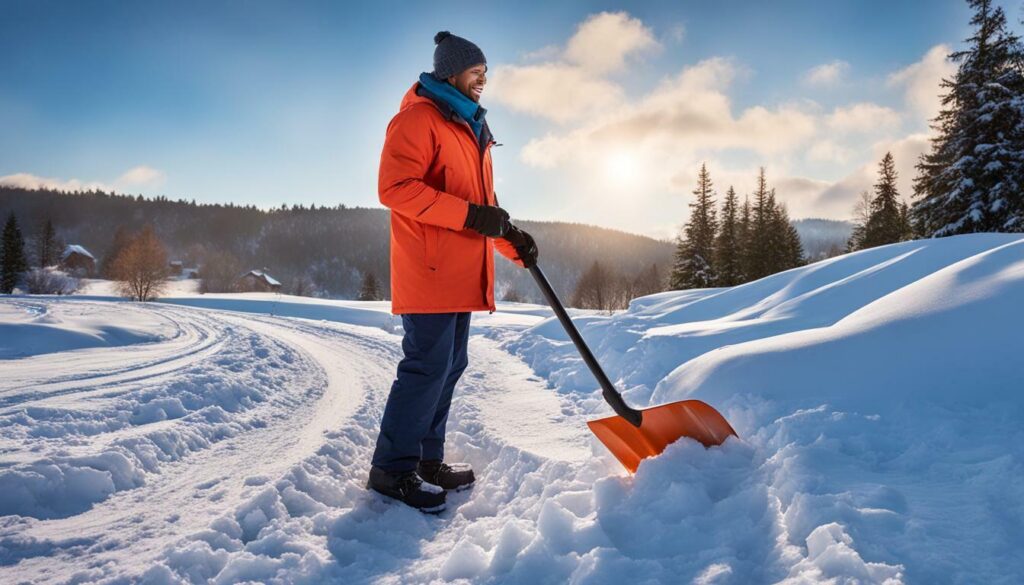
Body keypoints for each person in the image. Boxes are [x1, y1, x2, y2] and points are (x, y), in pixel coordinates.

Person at [368, 31, 539, 513]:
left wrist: (512, 243)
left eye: (486, 74)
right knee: (425, 369)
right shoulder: (419, 118)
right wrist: (470, 217)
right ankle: (391, 469)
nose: (483, 81)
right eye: (475, 73)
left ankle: (425, 460)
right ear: (450, 73)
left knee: (448, 366)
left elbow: (484, 209)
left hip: (460, 274)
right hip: (431, 269)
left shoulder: (468, 127)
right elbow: (396, 188)